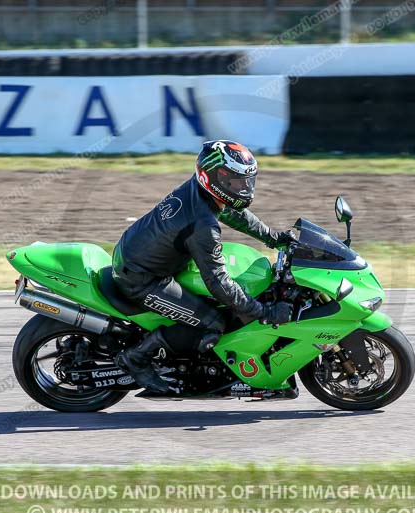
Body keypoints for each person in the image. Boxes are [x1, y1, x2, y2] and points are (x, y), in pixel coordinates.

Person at [112, 140, 295, 393]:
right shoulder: (203, 225)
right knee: (214, 322)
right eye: (236, 181)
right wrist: (263, 312)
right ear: (214, 178)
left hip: (138, 253)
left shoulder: (201, 191)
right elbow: (218, 282)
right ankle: (136, 357)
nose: (244, 187)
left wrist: (273, 238)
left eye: (247, 181)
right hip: (142, 279)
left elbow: (232, 213)